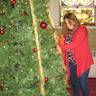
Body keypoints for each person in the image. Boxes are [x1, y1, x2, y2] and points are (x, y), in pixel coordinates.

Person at [57, 13, 94, 96]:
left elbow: (75, 44)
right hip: (71, 63)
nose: (67, 25)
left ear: (74, 21)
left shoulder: (82, 29)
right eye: (66, 23)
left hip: (82, 62)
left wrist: (61, 47)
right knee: (75, 83)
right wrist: (58, 44)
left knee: (83, 82)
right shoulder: (67, 33)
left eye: (68, 22)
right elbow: (63, 44)